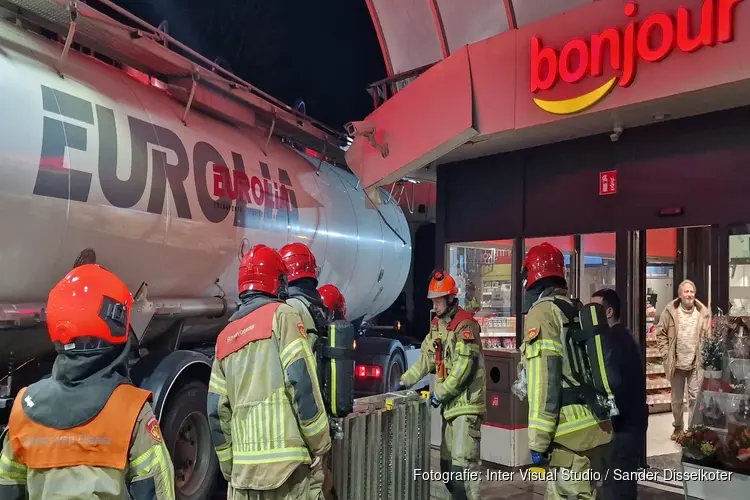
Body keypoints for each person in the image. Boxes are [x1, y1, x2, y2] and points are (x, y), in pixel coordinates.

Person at [0, 264, 174, 499]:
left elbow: (8, 489)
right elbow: (158, 491)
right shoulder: (131, 411)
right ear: (116, 324)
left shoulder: (23, 409)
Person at [207, 244, 331, 500]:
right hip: (287, 473)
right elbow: (302, 384)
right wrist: (320, 444)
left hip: (243, 479)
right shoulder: (283, 316)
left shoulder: (224, 338)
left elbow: (215, 411)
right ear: (277, 282)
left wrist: (230, 468)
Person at [520, 243, 612, 500]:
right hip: (594, 426)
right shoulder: (572, 308)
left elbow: (544, 380)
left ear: (533, 275)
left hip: (569, 437)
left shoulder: (542, 313)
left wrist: (537, 441)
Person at [396, 270, 485, 500]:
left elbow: (464, 369)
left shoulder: (465, 325)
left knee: (462, 470)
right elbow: (426, 358)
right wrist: (404, 381)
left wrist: (439, 393)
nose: (435, 306)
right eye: (433, 301)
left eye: (438, 301)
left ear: (450, 298)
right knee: (448, 471)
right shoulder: (437, 325)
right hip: (450, 408)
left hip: (466, 408)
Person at [592, 288, 647, 500]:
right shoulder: (624, 336)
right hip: (631, 424)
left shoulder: (612, 339)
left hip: (622, 427)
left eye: (595, 309)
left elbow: (612, 383)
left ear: (609, 312)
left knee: (616, 487)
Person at [654, 279, 711, 441]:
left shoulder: (702, 313)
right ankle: (678, 427)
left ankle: (692, 429)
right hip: (676, 365)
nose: (689, 295)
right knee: (677, 400)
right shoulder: (670, 311)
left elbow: (707, 337)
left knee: (695, 398)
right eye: (686, 292)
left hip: (695, 364)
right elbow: (660, 332)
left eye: (691, 291)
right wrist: (666, 353)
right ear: (680, 294)